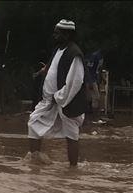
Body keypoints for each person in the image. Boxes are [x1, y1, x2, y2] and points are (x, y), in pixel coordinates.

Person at [24, 19, 86, 167]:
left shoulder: (74, 54)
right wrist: (42, 72)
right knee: (33, 123)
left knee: (71, 134)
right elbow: (53, 67)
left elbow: (74, 82)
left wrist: (58, 97)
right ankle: (35, 162)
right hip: (49, 101)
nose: (54, 36)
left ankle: (73, 169)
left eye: (57, 33)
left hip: (66, 101)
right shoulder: (58, 50)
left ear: (67, 35)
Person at [84, 49, 103, 114]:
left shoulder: (99, 56)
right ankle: (92, 112)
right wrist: (90, 81)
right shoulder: (94, 56)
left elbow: (98, 69)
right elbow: (89, 69)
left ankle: (92, 112)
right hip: (91, 79)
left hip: (93, 78)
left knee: (93, 97)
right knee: (95, 96)